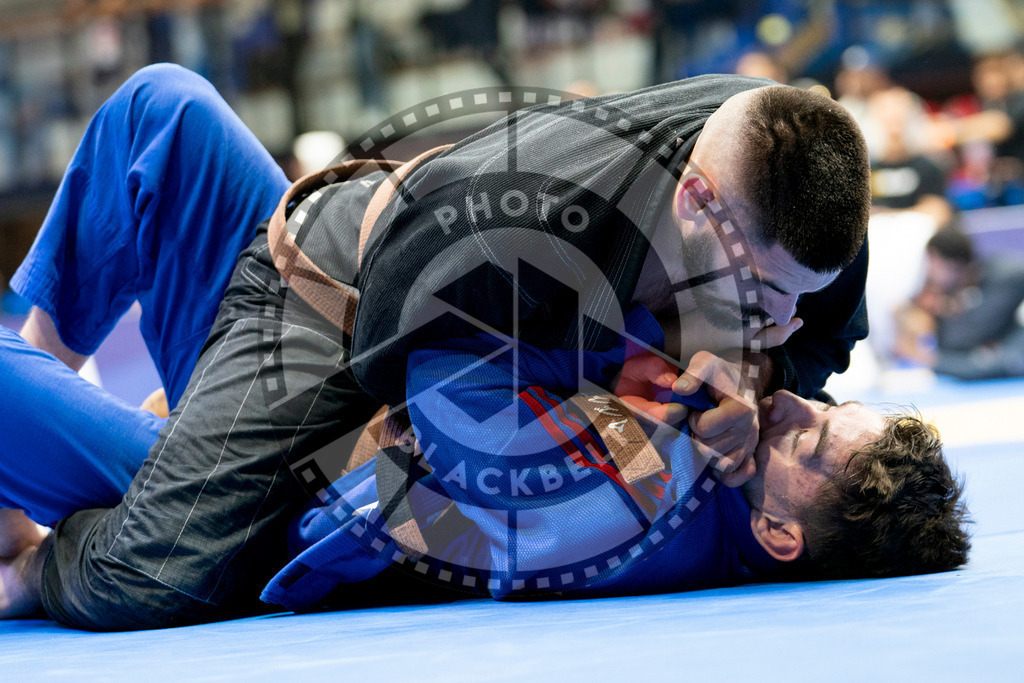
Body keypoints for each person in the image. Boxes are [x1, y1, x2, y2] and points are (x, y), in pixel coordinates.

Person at [0, 64, 958, 630]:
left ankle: (23, 548)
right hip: (342, 327)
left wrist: (754, 363)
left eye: (816, 432)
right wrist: (638, 364)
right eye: (810, 411)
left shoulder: (805, 195)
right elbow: (414, 389)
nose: (794, 392)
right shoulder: (535, 234)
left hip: (341, 475)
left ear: (782, 534)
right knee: (163, 558)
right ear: (701, 200)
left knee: (168, 107)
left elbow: (810, 338)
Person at [895, 227, 1024, 380]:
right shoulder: (975, 289)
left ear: (945, 263)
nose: (929, 276)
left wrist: (925, 358)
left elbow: (964, 344)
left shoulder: (1008, 277)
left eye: (932, 265)